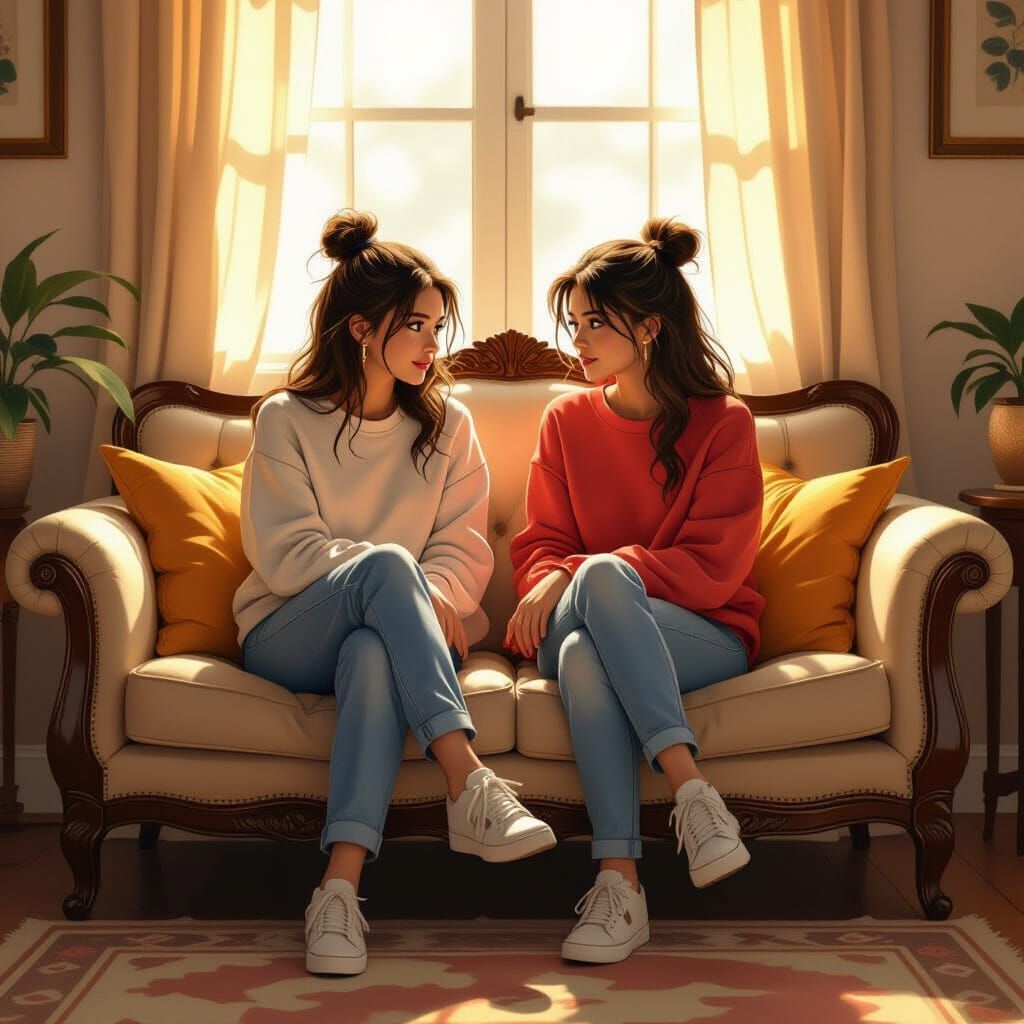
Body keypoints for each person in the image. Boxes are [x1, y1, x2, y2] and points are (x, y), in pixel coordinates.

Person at [233, 209, 556, 976]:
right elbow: (287, 555)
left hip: (396, 632)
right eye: (415, 326)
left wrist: (424, 592)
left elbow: (463, 547)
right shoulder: (287, 419)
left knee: (378, 654)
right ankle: (469, 781)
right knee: (384, 568)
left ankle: (338, 893)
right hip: (287, 630)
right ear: (358, 330)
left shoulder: (449, 425)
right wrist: (401, 578)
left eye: (437, 328)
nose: (431, 345)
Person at [506, 216, 766, 965]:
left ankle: (619, 884)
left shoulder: (726, 425)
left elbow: (716, 566)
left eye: (594, 324)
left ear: (649, 328)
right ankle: (694, 798)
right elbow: (540, 547)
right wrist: (566, 571)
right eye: (575, 323)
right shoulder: (565, 420)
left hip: (701, 630)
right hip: (573, 614)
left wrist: (585, 569)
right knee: (592, 600)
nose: (577, 340)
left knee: (591, 651)